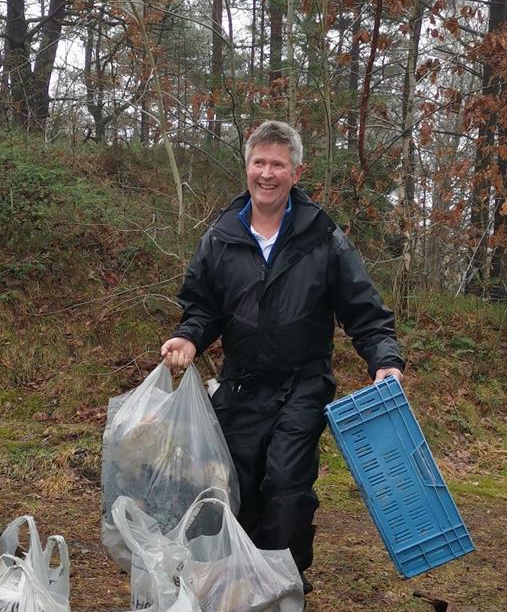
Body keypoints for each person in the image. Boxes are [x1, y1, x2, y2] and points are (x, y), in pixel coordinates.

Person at [160, 120, 404, 587]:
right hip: (240, 385)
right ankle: (242, 588)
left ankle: (284, 586)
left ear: (295, 172)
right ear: (246, 167)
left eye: (278, 164)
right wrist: (189, 337)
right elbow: (202, 307)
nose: (266, 174)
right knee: (237, 486)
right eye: (259, 162)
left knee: (287, 483)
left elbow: (365, 311)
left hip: (303, 384)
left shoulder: (323, 238)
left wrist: (386, 361)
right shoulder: (220, 238)